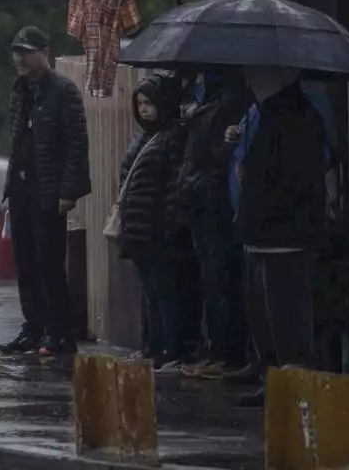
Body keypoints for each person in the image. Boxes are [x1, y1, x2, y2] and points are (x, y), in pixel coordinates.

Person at [226, 67, 327, 405]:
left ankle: (292, 382)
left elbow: (294, 177)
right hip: (261, 229)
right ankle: (271, 375)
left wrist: (258, 185)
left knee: (286, 314)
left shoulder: (298, 117)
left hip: (283, 232)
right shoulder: (267, 114)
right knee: (264, 314)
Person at [0, 26, 92, 358]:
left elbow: (77, 144)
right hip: (22, 187)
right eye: (16, 52)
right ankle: (33, 328)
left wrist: (68, 191)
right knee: (25, 264)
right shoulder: (19, 90)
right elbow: (17, 137)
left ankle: (60, 334)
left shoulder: (63, 91)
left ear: (44, 53)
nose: (20, 59)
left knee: (49, 264)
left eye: (26, 51)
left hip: (48, 190)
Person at [172, 72, 253, 378]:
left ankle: (227, 351)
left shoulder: (231, 101)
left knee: (223, 279)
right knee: (212, 278)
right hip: (201, 200)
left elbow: (217, 156)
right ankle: (217, 347)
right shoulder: (203, 100)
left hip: (215, 203)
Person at [115, 73, 196, 372]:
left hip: (158, 230)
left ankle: (171, 350)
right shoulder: (145, 138)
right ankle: (153, 347)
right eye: (140, 104)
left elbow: (174, 185)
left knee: (167, 294)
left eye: (150, 103)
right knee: (150, 294)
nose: (145, 109)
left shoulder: (174, 136)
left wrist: (169, 224)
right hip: (140, 229)